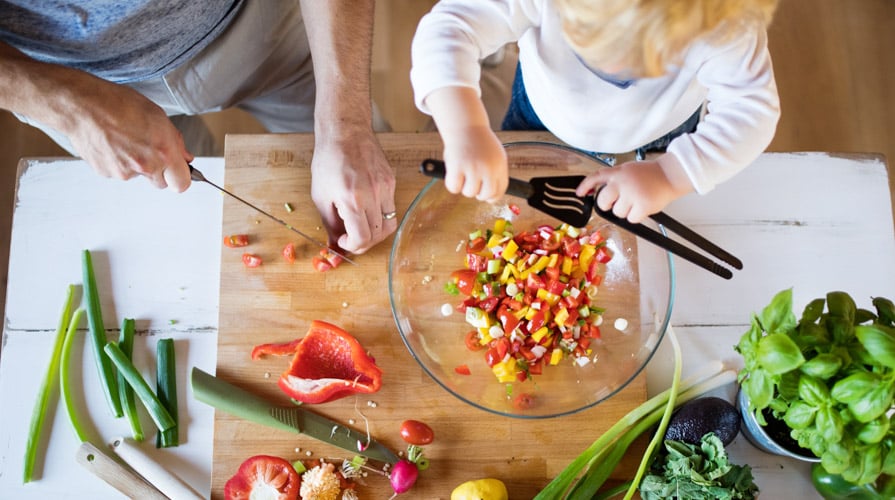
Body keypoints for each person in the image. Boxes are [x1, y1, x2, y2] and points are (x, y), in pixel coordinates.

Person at [0, 0, 396, 254]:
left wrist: (345, 125)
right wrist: (71, 107)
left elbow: (347, 130)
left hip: (251, 21)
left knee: (365, 187)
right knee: (189, 236)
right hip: (65, 79)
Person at [410, 0, 781, 224]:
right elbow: (449, 27)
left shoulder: (724, 20)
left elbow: (751, 110)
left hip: (663, 137)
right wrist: (466, 130)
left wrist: (671, 175)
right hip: (541, 116)